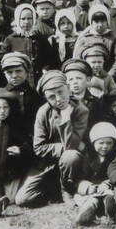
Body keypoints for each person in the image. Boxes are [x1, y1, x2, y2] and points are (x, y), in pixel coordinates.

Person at [15, 70, 89, 208]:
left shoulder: (80, 110)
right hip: (46, 164)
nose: (58, 99)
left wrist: (66, 118)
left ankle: (68, 191)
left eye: (61, 92)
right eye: (52, 97)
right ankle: (53, 191)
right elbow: (38, 147)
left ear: (68, 87)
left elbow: (71, 146)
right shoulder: (43, 112)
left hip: (72, 165)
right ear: (46, 98)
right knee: (22, 200)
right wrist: (65, 147)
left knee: (70, 156)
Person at [74, 121, 116, 226]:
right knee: (90, 199)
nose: (105, 146)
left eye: (109, 143)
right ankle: (87, 211)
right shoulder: (87, 156)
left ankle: (110, 209)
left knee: (110, 195)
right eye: (101, 143)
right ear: (93, 143)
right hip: (91, 189)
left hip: (107, 187)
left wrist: (107, 183)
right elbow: (78, 177)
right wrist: (87, 187)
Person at [0, 3, 58, 84]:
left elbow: (50, 58)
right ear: (17, 19)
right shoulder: (10, 39)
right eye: (23, 19)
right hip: (18, 80)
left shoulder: (40, 38)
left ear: (34, 19)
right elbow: (2, 60)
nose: (26, 22)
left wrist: (45, 69)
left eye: (29, 18)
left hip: (39, 79)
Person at [0, 52, 42, 139]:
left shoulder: (34, 96)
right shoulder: (0, 95)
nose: (14, 75)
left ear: (26, 72)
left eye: (18, 71)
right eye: (9, 72)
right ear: (4, 74)